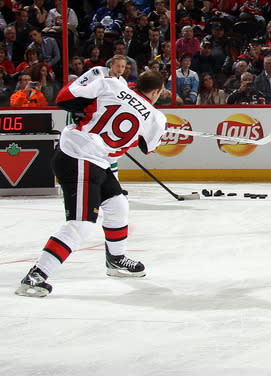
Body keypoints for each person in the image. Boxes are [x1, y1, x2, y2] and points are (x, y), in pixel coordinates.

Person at [15, 70, 166, 297]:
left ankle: (115, 260)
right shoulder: (156, 118)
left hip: (87, 155)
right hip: (80, 158)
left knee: (117, 204)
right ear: (156, 92)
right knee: (81, 223)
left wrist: (90, 78)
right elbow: (148, 147)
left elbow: (65, 99)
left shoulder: (112, 85)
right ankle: (36, 275)